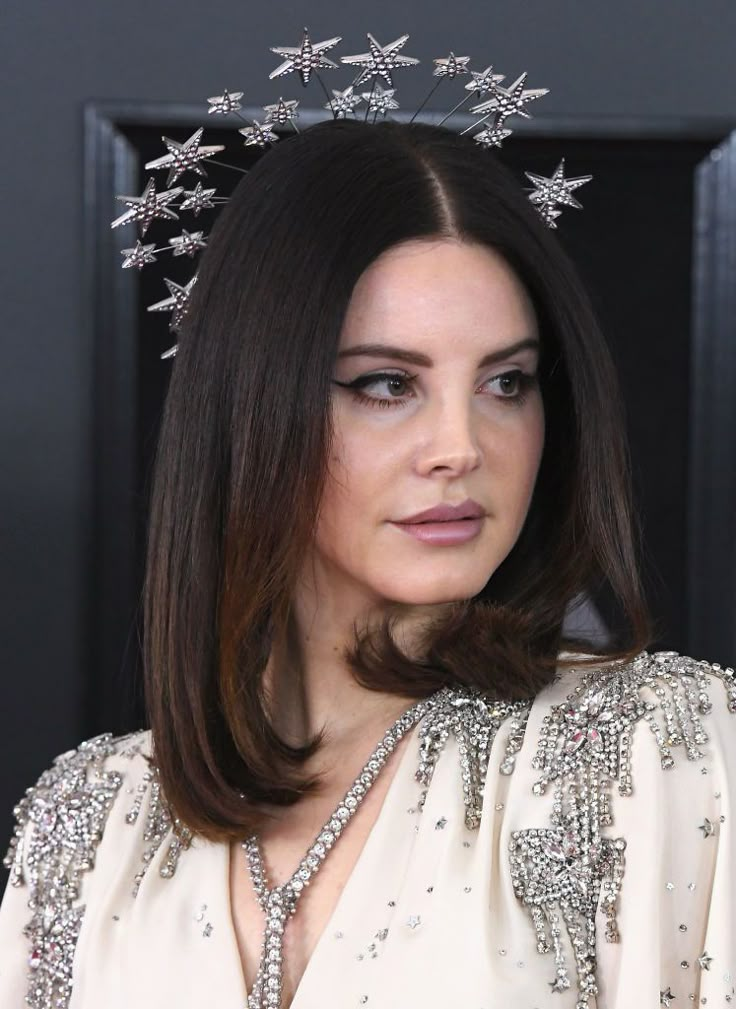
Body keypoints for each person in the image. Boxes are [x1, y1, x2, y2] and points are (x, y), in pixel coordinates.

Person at [1, 114, 734, 1009]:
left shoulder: (657, 749)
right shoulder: (88, 829)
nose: (460, 446)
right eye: (387, 383)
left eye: (507, 382)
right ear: (254, 407)